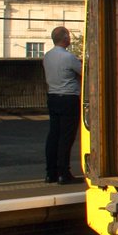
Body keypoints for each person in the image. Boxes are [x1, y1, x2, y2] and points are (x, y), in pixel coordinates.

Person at [44, 26, 82, 184]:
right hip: (68, 99)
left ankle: (50, 173)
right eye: (68, 36)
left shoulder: (47, 56)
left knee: (53, 135)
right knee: (66, 137)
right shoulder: (69, 57)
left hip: (52, 97)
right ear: (65, 38)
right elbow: (84, 71)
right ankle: (63, 173)